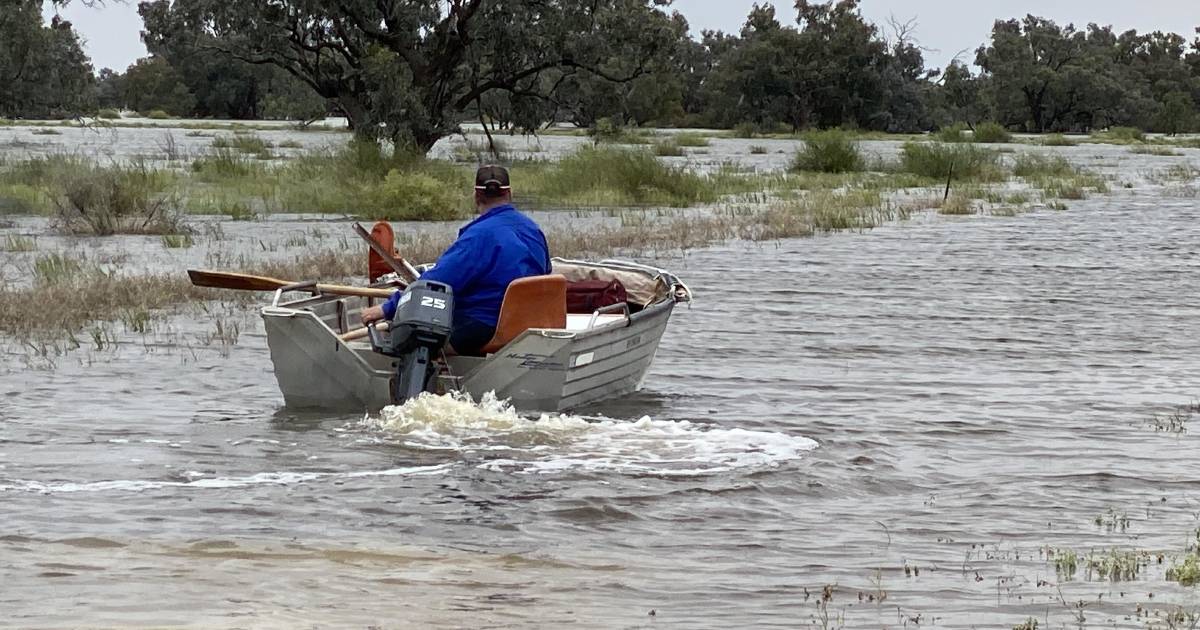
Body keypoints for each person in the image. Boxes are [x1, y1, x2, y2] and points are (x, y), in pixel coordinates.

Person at [360, 165, 551, 355]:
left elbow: (435, 284)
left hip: (484, 326)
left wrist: (387, 309)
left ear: (476, 195)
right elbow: (546, 272)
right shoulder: (533, 231)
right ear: (509, 193)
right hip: (528, 324)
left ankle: (418, 383)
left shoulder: (477, 236)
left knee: (411, 338)